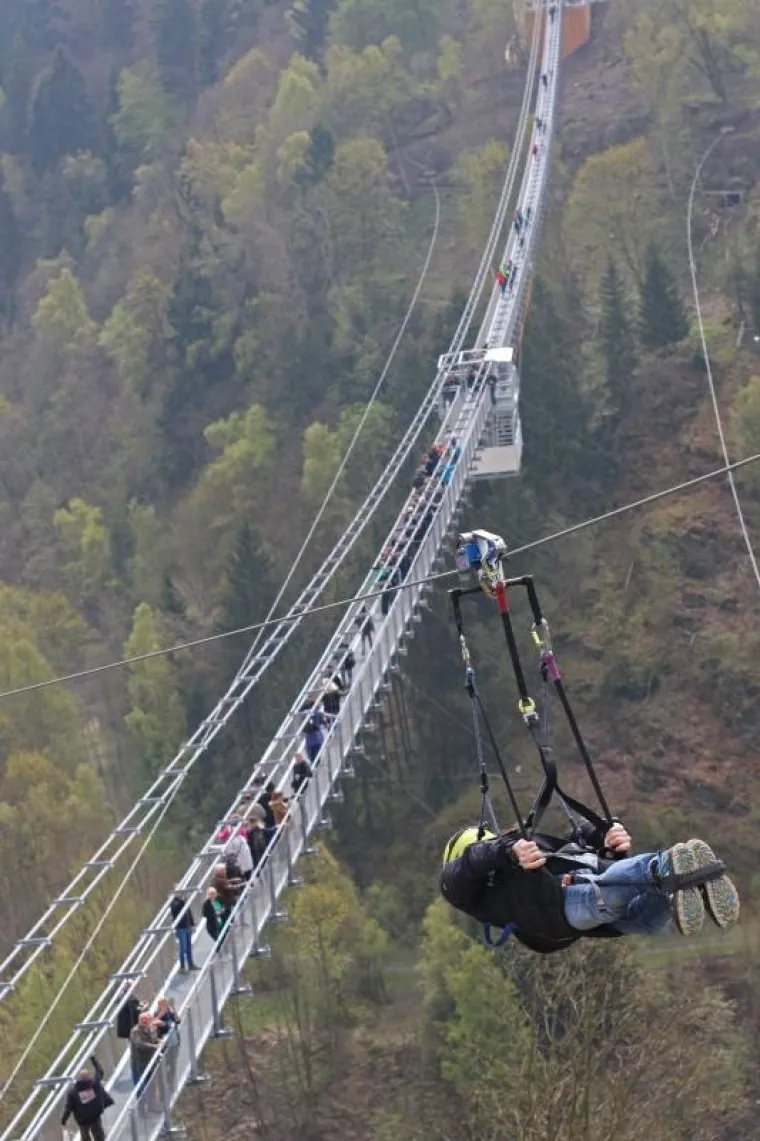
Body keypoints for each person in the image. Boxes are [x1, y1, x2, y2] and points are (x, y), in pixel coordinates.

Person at [440, 822, 739, 954]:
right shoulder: (465, 891)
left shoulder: (519, 859)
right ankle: (670, 874)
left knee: (629, 905)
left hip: (576, 903)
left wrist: (605, 833)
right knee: (628, 906)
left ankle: (670, 875)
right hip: (567, 909)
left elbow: (575, 842)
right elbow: (469, 865)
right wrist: (504, 851)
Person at [61, 1057, 113, 1141]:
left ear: (79, 1078)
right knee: (98, 1133)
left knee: (84, 1135)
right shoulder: (94, 1084)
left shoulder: (73, 1093)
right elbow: (99, 1071)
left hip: (83, 1119)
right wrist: (94, 1060)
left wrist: (64, 1120)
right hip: (95, 1115)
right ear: (89, 1077)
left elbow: (68, 1108)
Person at [169, 887, 198, 972]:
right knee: (183, 948)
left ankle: (190, 964)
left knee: (189, 946)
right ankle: (182, 967)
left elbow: (189, 912)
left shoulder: (184, 901)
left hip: (187, 926)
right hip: (180, 928)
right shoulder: (174, 902)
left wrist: (192, 924)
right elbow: (175, 910)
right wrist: (182, 901)